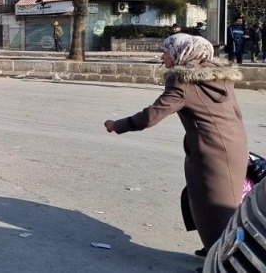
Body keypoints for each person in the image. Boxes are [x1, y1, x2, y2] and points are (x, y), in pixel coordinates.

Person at [103, 33, 248, 254]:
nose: (162, 56)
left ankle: (223, 260)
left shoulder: (184, 81)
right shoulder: (220, 77)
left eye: (165, 51)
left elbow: (152, 116)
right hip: (232, 145)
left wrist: (117, 125)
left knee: (217, 206)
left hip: (211, 151)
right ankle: (214, 248)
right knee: (210, 200)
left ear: (180, 53)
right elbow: (236, 114)